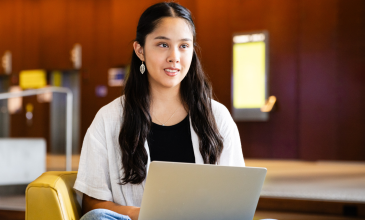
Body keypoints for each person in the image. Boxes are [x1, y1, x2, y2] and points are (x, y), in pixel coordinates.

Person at [74, 2, 245, 220]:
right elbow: (92, 204)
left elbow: (237, 196)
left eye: (184, 46)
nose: (175, 57)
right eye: (163, 45)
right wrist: (143, 214)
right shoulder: (110, 118)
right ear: (140, 50)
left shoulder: (217, 117)